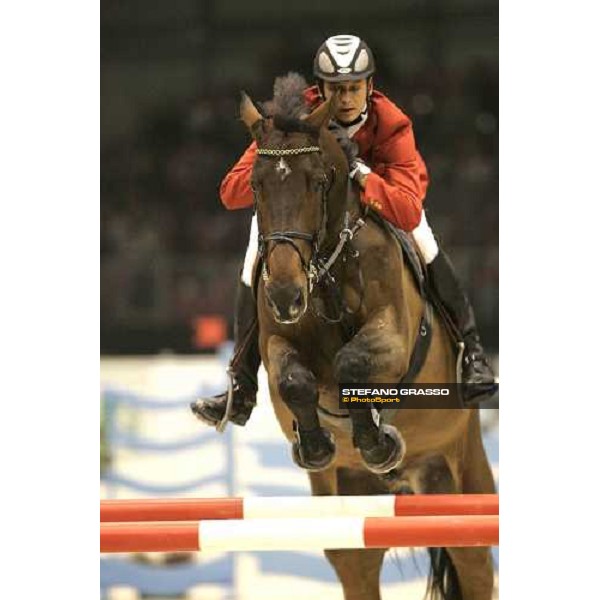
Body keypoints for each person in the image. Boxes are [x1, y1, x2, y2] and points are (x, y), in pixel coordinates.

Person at [191, 34, 497, 429]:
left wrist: (360, 173)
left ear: (370, 86)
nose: (347, 98)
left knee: (424, 239)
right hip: (312, 212)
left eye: (354, 87)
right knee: (255, 250)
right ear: (320, 89)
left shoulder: (392, 122)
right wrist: (273, 160)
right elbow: (230, 193)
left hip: (382, 195)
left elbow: (406, 208)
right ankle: (242, 384)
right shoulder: (297, 116)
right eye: (337, 89)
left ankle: (471, 353)